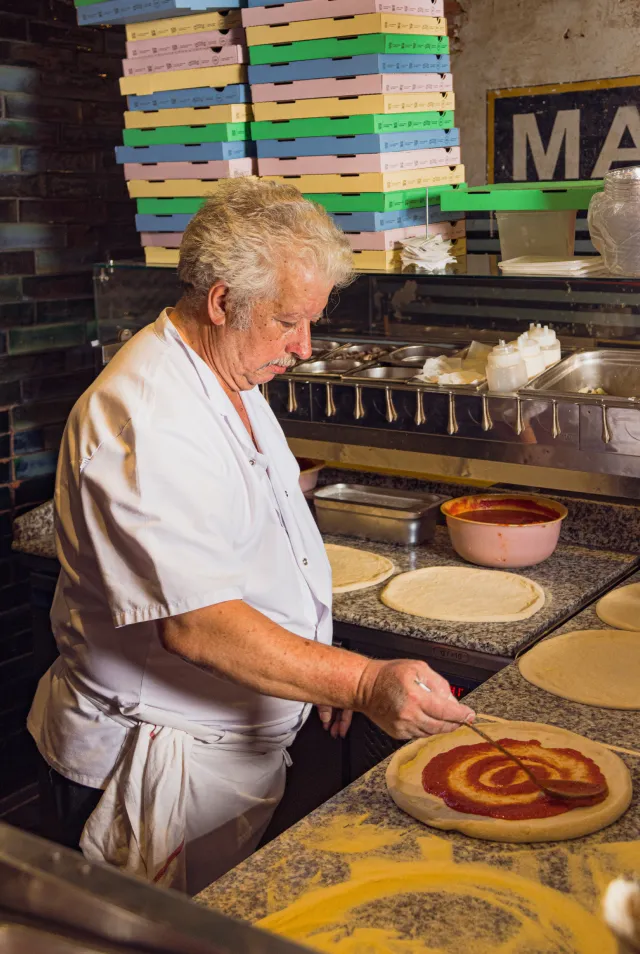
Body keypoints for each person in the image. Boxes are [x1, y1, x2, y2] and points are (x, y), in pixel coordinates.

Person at [28, 178, 474, 895]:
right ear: (221, 301)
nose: (305, 347)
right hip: (152, 770)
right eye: (289, 322)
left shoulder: (229, 374)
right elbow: (198, 625)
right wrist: (358, 680)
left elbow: (248, 536)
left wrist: (312, 662)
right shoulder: (147, 415)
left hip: (226, 756)